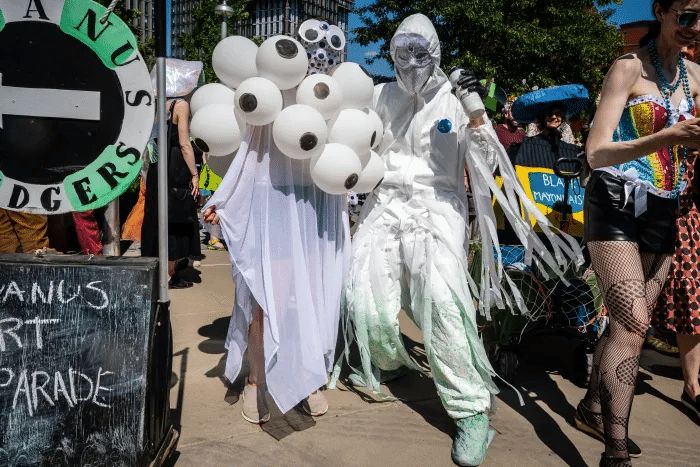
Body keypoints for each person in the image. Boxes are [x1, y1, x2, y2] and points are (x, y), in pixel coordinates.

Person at [336, 14, 581, 467]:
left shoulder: (454, 98)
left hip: (438, 206)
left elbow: (486, 161)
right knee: (363, 296)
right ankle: (387, 362)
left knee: (444, 301)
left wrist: (475, 111)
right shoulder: (379, 95)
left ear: (436, 54)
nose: (410, 63)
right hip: (384, 203)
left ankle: (471, 412)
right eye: (402, 52)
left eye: (419, 52)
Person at [202, 19, 351, 424]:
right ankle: (257, 379)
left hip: (312, 203)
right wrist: (224, 196)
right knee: (264, 300)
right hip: (269, 207)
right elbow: (248, 154)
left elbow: (340, 152)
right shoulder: (264, 92)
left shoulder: (323, 96)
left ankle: (306, 378)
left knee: (307, 297)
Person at [576, 1, 700, 465]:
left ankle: (592, 406)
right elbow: (595, 152)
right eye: (687, 15)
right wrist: (666, 138)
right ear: (661, 11)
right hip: (615, 199)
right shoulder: (629, 68)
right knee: (633, 325)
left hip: (666, 206)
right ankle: (616, 454)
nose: (696, 27)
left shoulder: (695, 75)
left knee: (628, 325)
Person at [141, 59, 202, 289]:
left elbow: (150, 142)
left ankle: (157, 271)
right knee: (176, 219)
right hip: (175, 168)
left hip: (158, 168)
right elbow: (185, 144)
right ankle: (169, 275)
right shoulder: (180, 106)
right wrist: (194, 173)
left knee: (156, 218)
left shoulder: (155, 104)